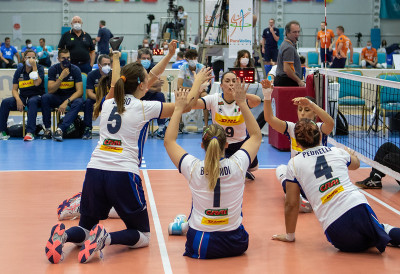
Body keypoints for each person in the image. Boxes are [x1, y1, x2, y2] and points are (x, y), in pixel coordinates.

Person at [44, 41, 212, 264]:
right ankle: (106, 238)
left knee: (84, 227)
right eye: (147, 78)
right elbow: (186, 106)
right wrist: (197, 82)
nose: (151, 79)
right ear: (142, 85)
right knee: (143, 234)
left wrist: (169, 56)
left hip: (95, 170)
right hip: (123, 173)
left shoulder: (108, 101)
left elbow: (142, 76)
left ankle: (63, 235)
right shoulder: (145, 107)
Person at [164, 78, 262, 259]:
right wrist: (242, 103)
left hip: (201, 244)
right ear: (226, 145)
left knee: (198, 207)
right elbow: (256, 136)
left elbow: (169, 141)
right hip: (236, 243)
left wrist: (178, 109)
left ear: (202, 145)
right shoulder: (238, 165)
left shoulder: (193, 168)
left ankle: (184, 225)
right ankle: (184, 224)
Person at [272, 119, 400, 253]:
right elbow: (356, 165)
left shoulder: (293, 163)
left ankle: (374, 235)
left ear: (297, 143)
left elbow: (291, 204)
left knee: (283, 171)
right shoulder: (337, 151)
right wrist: (351, 154)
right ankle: (378, 233)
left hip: (337, 232)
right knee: (381, 229)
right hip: (357, 209)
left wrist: (289, 236)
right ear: (320, 136)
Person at [262, 80, 334, 211]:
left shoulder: (319, 128)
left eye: (307, 110)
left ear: (315, 113)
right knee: (281, 169)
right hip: (300, 177)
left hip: (316, 177)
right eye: (300, 109)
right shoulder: (292, 128)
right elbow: (269, 119)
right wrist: (267, 96)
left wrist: (312, 104)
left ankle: (297, 198)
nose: (302, 113)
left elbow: (330, 123)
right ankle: (300, 198)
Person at [192, 71, 262, 180]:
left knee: (251, 168)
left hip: (241, 143)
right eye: (227, 81)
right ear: (221, 85)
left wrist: (242, 95)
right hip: (221, 144)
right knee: (221, 172)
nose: (231, 84)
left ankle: (242, 169)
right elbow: (194, 104)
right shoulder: (214, 99)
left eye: (234, 81)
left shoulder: (242, 100)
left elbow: (257, 101)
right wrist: (198, 89)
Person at [0, 49, 44, 141]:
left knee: (32, 101)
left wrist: (34, 67)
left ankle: (30, 132)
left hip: (37, 96)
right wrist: (18, 99)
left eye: (33, 58)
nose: (31, 59)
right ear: (24, 59)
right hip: (23, 97)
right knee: (5, 102)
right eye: (29, 57)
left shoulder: (39, 68)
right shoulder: (19, 70)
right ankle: (2, 131)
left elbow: (36, 83)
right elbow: (14, 89)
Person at [41, 49, 84, 142]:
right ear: (58, 59)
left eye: (68, 58)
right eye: (63, 58)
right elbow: (50, 90)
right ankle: (48, 129)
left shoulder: (75, 69)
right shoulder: (53, 69)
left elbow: (80, 91)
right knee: (45, 98)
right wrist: (61, 77)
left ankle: (60, 129)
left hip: (70, 97)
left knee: (79, 101)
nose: (66, 60)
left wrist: (66, 101)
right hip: (56, 96)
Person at [137, 48, 167, 139]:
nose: (146, 60)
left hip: (149, 94)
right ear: (138, 59)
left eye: (148, 58)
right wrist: (152, 84)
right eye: (143, 58)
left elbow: (158, 88)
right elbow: (137, 88)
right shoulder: (134, 68)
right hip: (137, 96)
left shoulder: (154, 67)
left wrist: (145, 86)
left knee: (160, 96)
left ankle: (161, 128)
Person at [82, 54, 112, 140]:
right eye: (105, 64)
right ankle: (87, 129)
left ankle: (113, 131)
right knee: (88, 102)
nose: (107, 66)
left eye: (109, 64)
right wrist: (100, 100)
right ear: (99, 65)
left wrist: (105, 100)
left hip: (110, 100)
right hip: (96, 99)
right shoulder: (92, 75)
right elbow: (89, 93)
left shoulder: (114, 75)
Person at [177, 49, 208, 128]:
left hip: (200, 90)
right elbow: (179, 86)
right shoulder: (183, 68)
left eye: (195, 58)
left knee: (205, 97)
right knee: (179, 96)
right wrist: (194, 89)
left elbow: (205, 83)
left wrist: (198, 89)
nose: (193, 60)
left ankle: (206, 125)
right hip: (187, 90)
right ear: (187, 59)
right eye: (191, 58)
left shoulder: (201, 67)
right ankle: (180, 124)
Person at [275, 21, 304, 87]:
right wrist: (299, 81)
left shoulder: (286, 44)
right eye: (294, 32)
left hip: (284, 80)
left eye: (298, 32)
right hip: (287, 82)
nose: (297, 34)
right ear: (287, 33)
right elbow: (287, 69)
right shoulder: (289, 47)